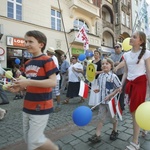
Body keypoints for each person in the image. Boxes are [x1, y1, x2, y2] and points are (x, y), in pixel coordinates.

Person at [7, 30, 61, 150]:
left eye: (30, 41)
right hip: (27, 105)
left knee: (34, 141)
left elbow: (53, 82)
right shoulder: (28, 63)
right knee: (28, 139)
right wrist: (19, 87)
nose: (27, 44)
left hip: (41, 105)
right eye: (26, 41)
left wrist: (28, 82)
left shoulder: (47, 60)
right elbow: (30, 84)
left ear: (41, 44)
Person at [121, 31, 150, 150]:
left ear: (141, 41)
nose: (130, 38)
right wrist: (121, 85)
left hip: (140, 83)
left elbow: (148, 72)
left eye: (134, 37)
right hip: (129, 84)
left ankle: (135, 142)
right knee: (132, 110)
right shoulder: (126, 55)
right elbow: (126, 72)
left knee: (135, 113)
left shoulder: (146, 53)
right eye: (131, 36)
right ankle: (144, 127)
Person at [88, 58, 122, 143]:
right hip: (102, 102)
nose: (104, 65)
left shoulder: (113, 76)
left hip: (111, 102)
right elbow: (101, 87)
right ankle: (97, 135)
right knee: (100, 118)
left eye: (107, 63)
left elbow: (119, 88)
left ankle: (115, 131)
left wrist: (110, 95)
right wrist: (98, 89)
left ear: (111, 66)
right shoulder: (100, 76)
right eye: (103, 64)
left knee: (113, 118)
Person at [111, 43, 125, 111]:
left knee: (121, 91)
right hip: (115, 75)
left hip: (122, 75)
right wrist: (114, 64)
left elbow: (126, 63)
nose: (116, 48)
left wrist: (118, 64)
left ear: (121, 47)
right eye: (115, 47)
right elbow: (110, 64)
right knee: (115, 91)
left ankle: (122, 106)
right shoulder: (112, 56)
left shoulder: (124, 55)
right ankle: (116, 105)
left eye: (117, 47)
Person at [46, 47, 61, 112]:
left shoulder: (53, 59)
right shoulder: (51, 58)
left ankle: (58, 105)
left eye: (47, 52)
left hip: (55, 78)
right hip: (51, 78)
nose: (47, 53)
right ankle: (50, 105)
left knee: (56, 92)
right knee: (51, 92)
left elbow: (55, 69)